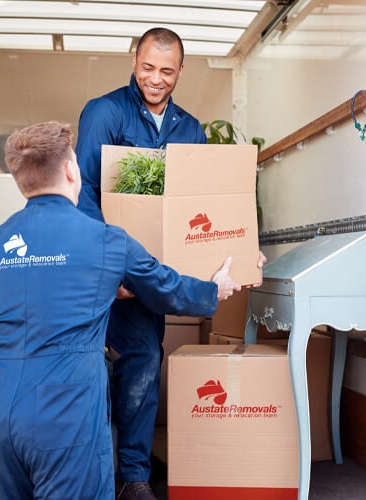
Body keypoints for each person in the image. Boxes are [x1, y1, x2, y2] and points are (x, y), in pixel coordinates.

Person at [0, 121, 241, 499]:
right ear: (71, 170)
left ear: (20, 180)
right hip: (67, 414)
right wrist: (215, 288)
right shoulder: (106, 240)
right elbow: (168, 290)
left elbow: (40, 295)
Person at [75, 27, 245, 500]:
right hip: (103, 273)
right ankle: (98, 471)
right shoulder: (104, 112)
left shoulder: (190, 130)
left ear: (181, 71)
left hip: (153, 275)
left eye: (167, 71)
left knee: (146, 358)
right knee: (100, 361)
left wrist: (239, 245)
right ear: (134, 59)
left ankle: (133, 477)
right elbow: (83, 194)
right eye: (148, 67)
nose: (155, 79)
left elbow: (202, 208)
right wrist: (109, 269)